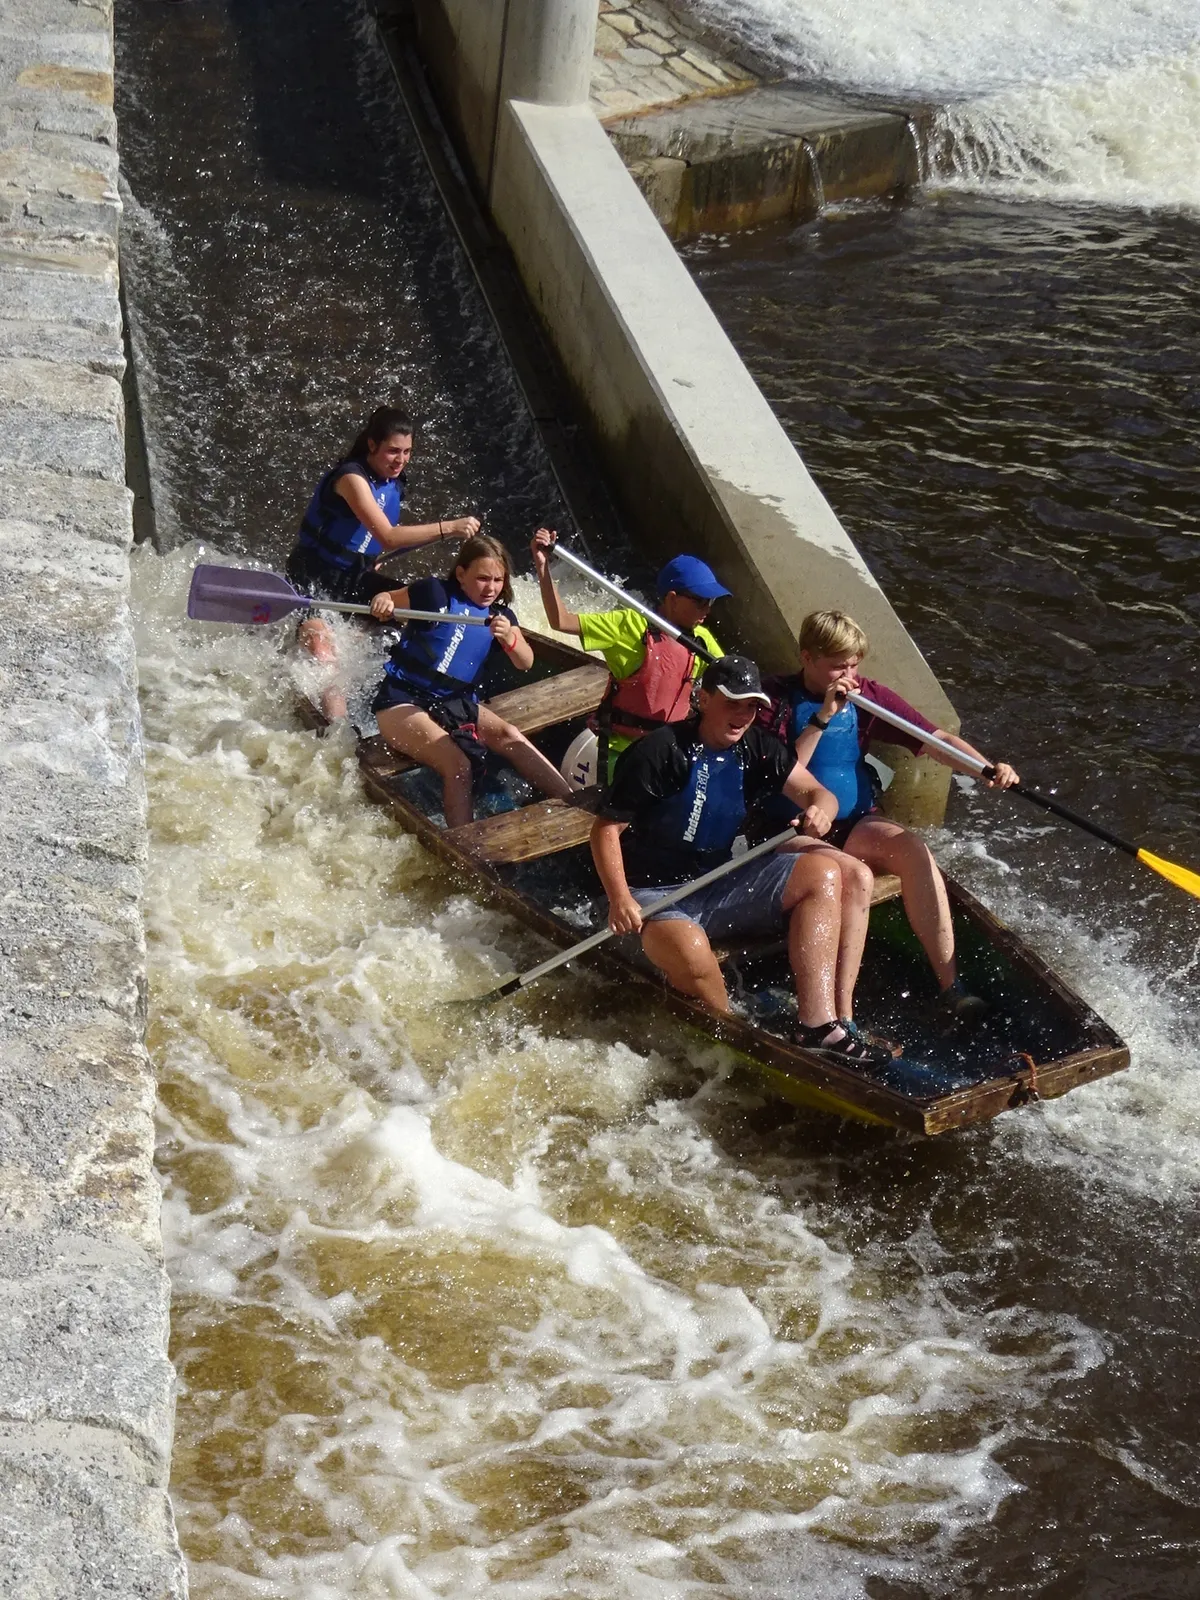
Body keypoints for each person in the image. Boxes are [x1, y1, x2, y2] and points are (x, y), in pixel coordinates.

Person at [590, 655, 895, 1066]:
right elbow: (605, 831)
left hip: (718, 879)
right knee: (690, 947)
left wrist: (821, 810)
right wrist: (620, 898)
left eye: (751, 706)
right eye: (733, 703)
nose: (743, 715)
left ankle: (818, 1026)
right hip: (651, 894)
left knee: (824, 872)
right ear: (704, 699)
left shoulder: (757, 748)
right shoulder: (659, 752)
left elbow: (819, 794)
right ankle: (733, 1040)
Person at [762, 609, 1020, 1023]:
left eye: (854, 665)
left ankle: (951, 987)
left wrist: (986, 768)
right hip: (790, 830)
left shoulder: (867, 695)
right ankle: (842, 1015)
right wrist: (823, 716)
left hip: (853, 822)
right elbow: (784, 772)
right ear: (807, 657)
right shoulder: (774, 699)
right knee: (853, 876)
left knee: (913, 850)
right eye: (838, 666)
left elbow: (934, 739)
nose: (849, 676)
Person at [368, 535, 573, 830]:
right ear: (461, 574)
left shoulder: (501, 615)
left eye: (498, 580)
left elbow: (525, 662)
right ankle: (465, 842)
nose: (491, 588)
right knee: (458, 765)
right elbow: (389, 597)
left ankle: (573, 801)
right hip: (402, 701)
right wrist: (383, 601)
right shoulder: (434, 593)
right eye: (482, 579)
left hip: (455, 702)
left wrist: (510, 638)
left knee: (510, 734)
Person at [287, 405, 481, 718]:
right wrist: (449, 527)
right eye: (393, 451)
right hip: (314, 576)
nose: (400, 460)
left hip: (356, 577)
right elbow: (388, 535)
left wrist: (369, 561)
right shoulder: (351, 478)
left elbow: (369, 539)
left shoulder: (394, 482)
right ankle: (339, 730)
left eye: (407, 452)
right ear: (372, 445)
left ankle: (415, 694)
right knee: (325, 655)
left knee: (421, 608)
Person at [530, 528, 727, 784]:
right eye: (701, 601)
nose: (707, 610)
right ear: (673, 599)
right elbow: (560, 621)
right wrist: (543, 567)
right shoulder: (628, 625)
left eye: (711, 602)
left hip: (670, 749)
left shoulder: (700, 639)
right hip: (622, 752)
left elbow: (728, 677)